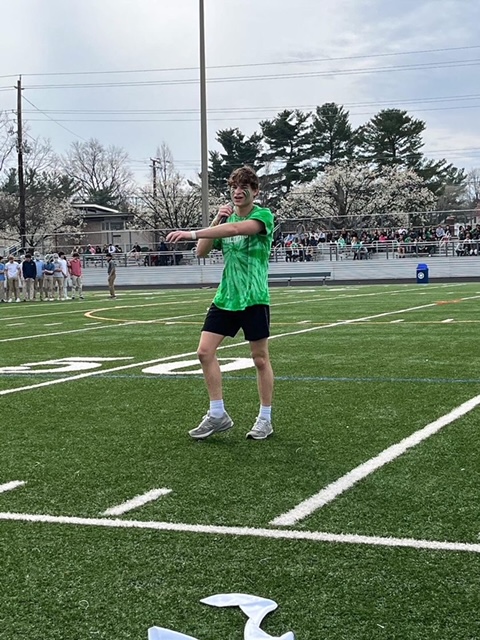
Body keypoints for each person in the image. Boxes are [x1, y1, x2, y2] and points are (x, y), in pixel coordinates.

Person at [166, 165, 275, 441]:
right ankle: (217, 413)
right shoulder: (223, 222)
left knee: (260, 359)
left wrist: (192, 233)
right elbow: (202, 252)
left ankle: (265, 418)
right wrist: (215, 219)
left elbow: (238, 228)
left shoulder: (263, 216)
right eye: (234, 187)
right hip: (226, 296)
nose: (238, 192)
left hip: (253, 297)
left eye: (244, 187)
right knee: (204, 352)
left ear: (255, 191)